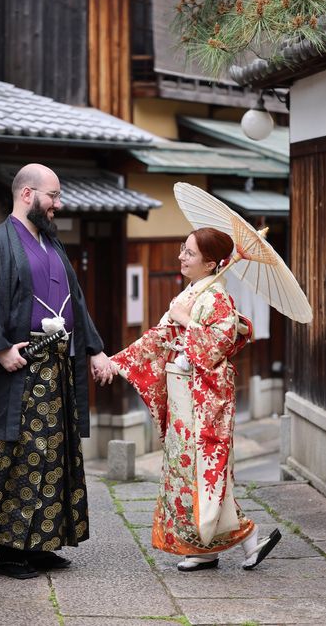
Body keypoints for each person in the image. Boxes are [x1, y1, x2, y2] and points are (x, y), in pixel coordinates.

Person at [0, 163, 114, 579]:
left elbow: (76, 301)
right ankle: (11, 553)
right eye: (53, 196)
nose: (58, 205)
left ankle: (42, 543)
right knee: (22, 457)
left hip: (57, 369)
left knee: (55, 455)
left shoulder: (53, 245)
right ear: (27, 195)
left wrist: (94, 350)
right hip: (18, 371)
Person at [112, 228, 281, 571]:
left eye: (188, 253)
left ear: (209, 263)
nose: (181, 257)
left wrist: (186, 319)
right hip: (183, 396)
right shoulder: (195, 291)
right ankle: (206, 548)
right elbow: (161, 336)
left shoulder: (218, 298)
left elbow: (215, 347)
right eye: (181, 249)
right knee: (186, 472)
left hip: (204, 401)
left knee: (206, 473)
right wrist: (117, 362)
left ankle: (249, 537)